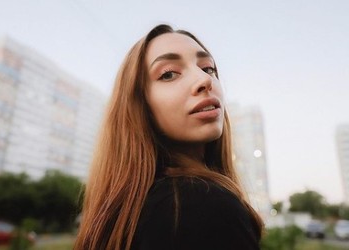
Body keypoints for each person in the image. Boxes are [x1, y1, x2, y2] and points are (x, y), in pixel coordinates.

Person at [74, 24, 264, 250]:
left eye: (208, 68)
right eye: (169, 74)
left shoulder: (128, 214)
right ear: (141, 106)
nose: (205, 81)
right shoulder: (204, 204)